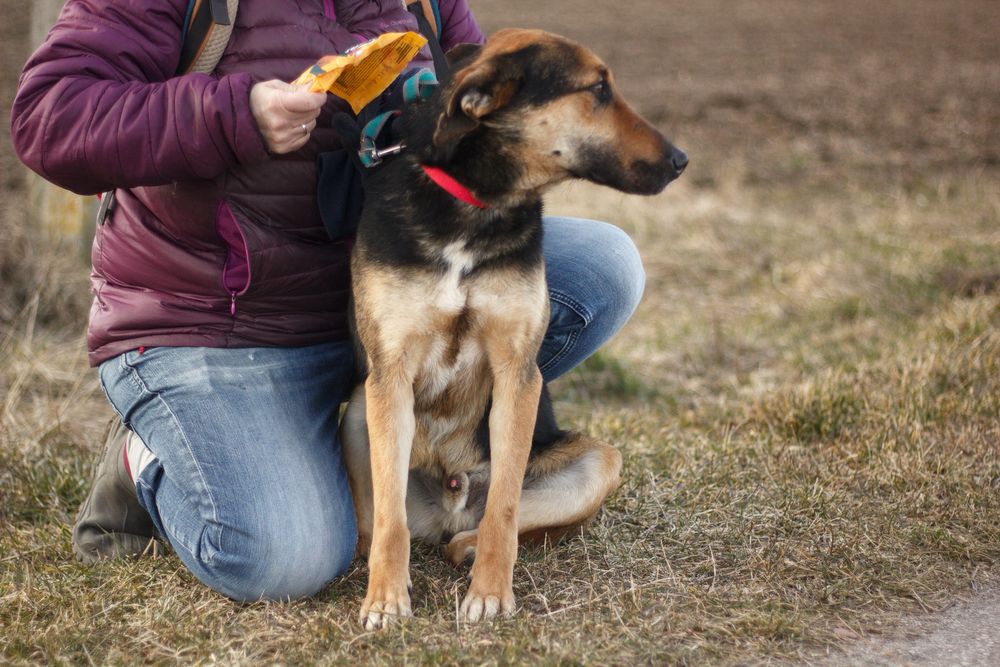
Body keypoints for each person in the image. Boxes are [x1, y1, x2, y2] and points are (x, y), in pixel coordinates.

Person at [10, 0, 645, 602]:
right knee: (284, 559)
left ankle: (408, 436)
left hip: (384, 297)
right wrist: (236, 115)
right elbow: (48, 118)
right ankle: (150, 452)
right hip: (220, 321)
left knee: (601, 267)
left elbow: (472, 112)